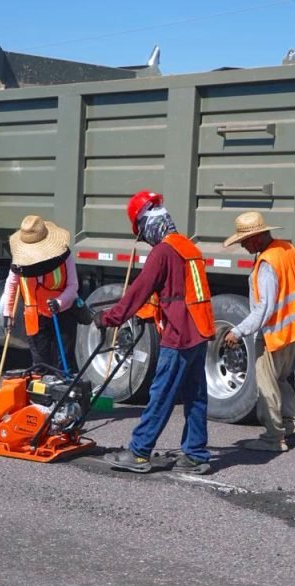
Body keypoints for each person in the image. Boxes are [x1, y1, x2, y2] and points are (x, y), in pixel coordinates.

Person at [95, 190, 215, 475]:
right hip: (199, 328)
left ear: (148, 224)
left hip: (180, 333)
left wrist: (109, 318)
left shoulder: (163, 252)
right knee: (195, 395)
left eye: (142, 232)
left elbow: (139, 290)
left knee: (161, 392)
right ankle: (196, 454)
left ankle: (139, 452)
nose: (145, 240)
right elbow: (173, 292)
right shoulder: (187, 246)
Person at [223, 211, 295, 452]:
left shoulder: (267, 263)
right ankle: (290, 423)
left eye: (244, 241)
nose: (242, 246)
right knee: (281, 380)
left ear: (257, 238)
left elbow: (264, 308)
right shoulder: (288, 251)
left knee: (267, 385)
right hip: (293, 329)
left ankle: (273, 438)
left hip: (274, 334)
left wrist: (238, 331)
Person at [0, 214, 90, 373]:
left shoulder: (63, 256)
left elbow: (73, 286)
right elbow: (12, 284)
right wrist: (8, 313)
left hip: (62, 315)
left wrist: (59, 302)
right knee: (39, 367)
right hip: (35, 318)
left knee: (63, 366)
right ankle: (40, 397)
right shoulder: (20, 261)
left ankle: (64, 394)